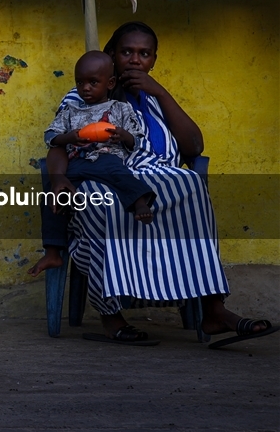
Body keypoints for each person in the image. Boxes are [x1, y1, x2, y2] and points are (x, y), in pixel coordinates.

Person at [45, 22, 276, 347]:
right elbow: (57, 144)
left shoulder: (154, 97)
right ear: (112, 55)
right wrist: (59, 179)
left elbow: (193, 147)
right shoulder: (86, 92)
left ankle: (214, 310)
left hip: (158, 176)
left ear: (154, 59)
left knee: (192, 186)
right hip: (102, 175)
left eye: (144, 54)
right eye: (127, 52)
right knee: (101, 202)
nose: (135, 60)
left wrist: (160, 92)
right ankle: (111, 317)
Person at [29, 51, 155, 276]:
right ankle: (52, 252)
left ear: (110, 83)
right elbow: (50, 137)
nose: (85, 88)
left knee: (119, 174)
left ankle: (141, 203)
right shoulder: (70, 111)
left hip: (106, 159)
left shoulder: (120, 109)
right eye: (80, 82)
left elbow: (136, 140)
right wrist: (70, 137)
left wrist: (121, 135)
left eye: (93, 82)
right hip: (76, 163)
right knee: (50, 195)